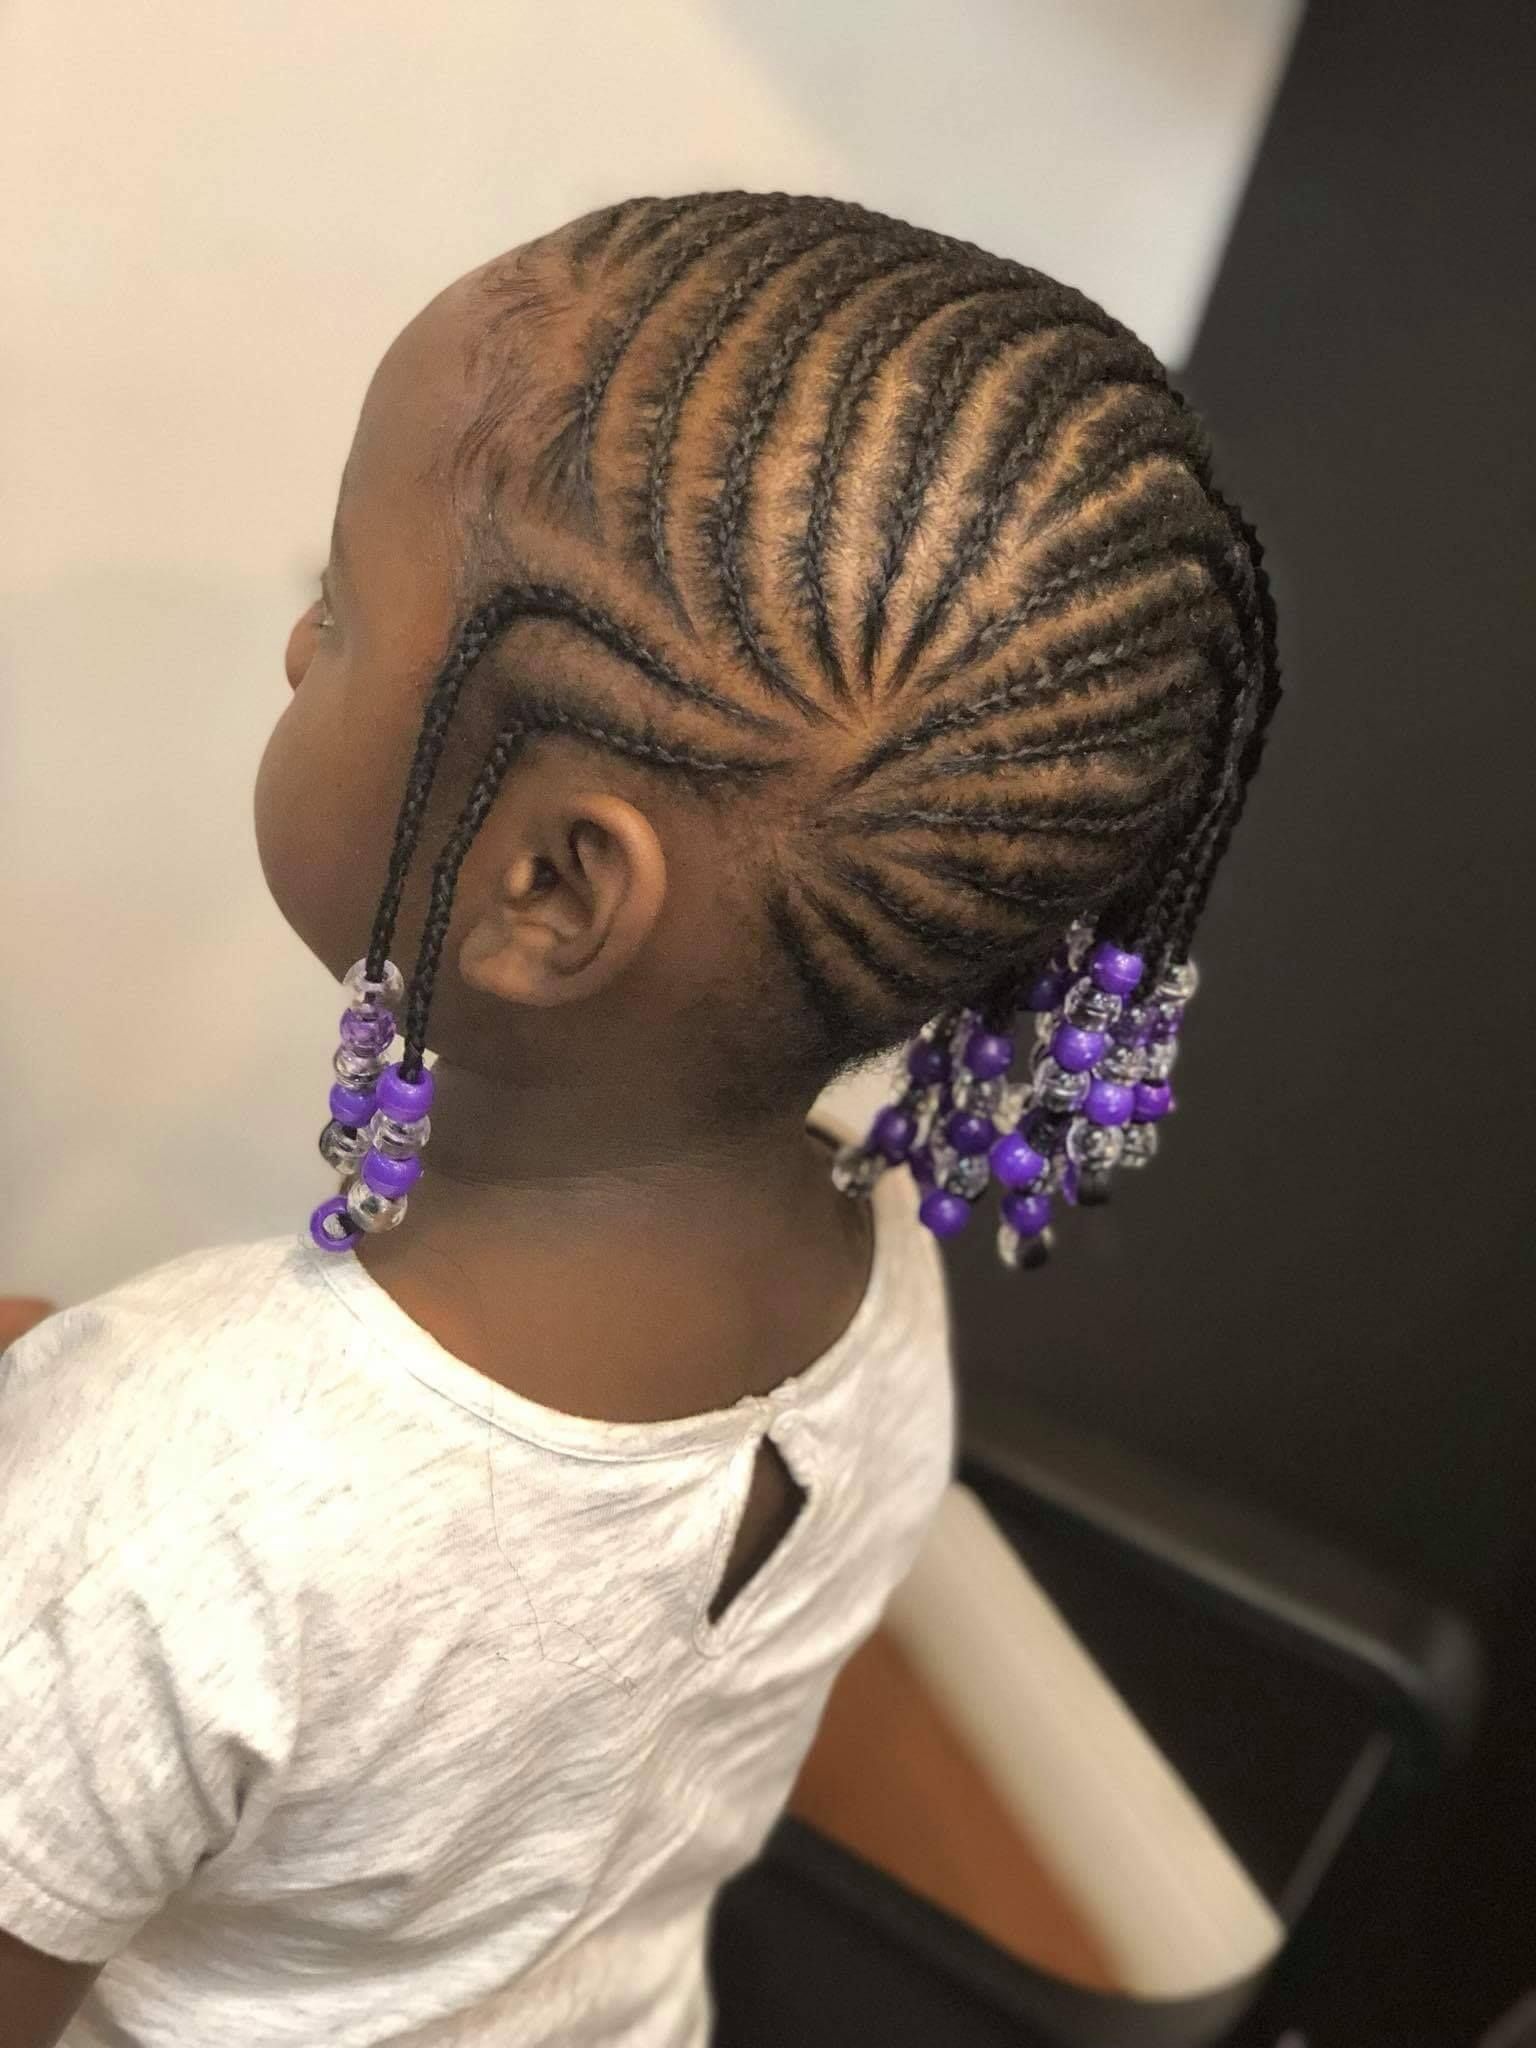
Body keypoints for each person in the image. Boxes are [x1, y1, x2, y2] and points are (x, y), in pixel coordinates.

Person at [0, 192, 1278, 2047]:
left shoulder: (178, 1498)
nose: (295, 643)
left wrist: (78, 1483)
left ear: (550, 893)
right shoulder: (871, 1267)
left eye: (344, 607)